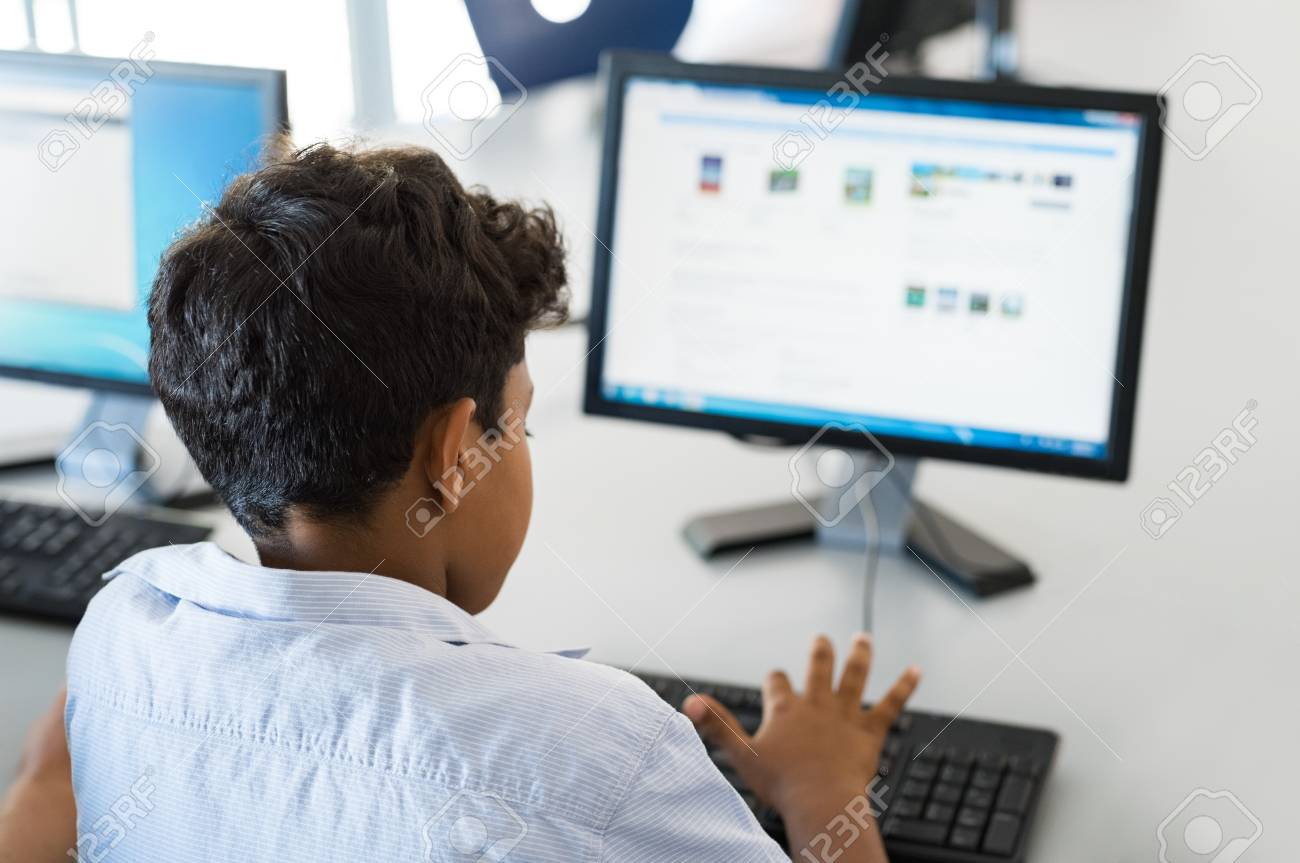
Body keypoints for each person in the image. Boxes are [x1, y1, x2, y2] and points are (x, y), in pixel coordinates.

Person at [63, 139, 921, 861]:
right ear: (451, 454)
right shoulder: (599, 752)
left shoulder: (120, 635)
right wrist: (823, 795)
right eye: (520, 430)